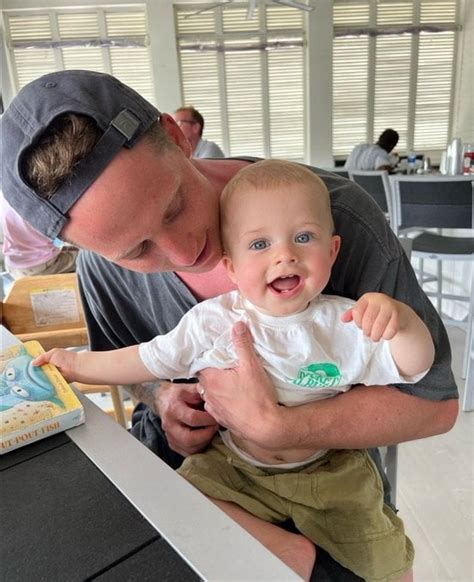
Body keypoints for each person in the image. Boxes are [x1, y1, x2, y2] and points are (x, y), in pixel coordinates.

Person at [0, 71, 458, 579]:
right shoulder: (100, 271)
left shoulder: (324, 216)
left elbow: (434, 406)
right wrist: (162, 398)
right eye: (136, 251)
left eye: (174, 207)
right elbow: (137, 368)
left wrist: (277, 425)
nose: (182, 252)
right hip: (209, 476)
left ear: (178, 136)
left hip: (331, 479)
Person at [1, 196, 78, 279]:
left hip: (12, 265)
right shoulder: (45, 206)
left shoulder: (7, 193)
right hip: (40, 267)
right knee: (86, 257)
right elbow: (62, 237)